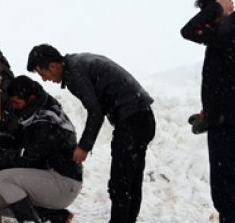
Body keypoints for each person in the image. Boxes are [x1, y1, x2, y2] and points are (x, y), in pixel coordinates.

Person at [26, 44, 154, 223]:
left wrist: (84, 146)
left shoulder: (74, 74)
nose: (45, 80)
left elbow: (95, 112)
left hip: (131, 121)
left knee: (120, 183)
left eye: (43, 74)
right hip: (142, 117)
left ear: (53, 66)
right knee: (131, 180)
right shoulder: (78, 63)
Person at [180, 0, 235, 223]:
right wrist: (212, 111)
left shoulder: (229, 32)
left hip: (229, 129)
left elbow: (188, 31)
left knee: (227, 195)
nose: (207, 21)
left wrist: (218, 8)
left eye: (208, 12)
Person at [0, 75, 81, 223]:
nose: (14, 107)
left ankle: (30, 221)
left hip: (63, 184)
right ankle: (58, 217)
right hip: (55, 180)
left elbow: (27, 161)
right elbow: (19, 141)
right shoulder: (38, 112)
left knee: (3, 179)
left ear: (31, 99)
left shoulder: (46, 123)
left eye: (17, 103)